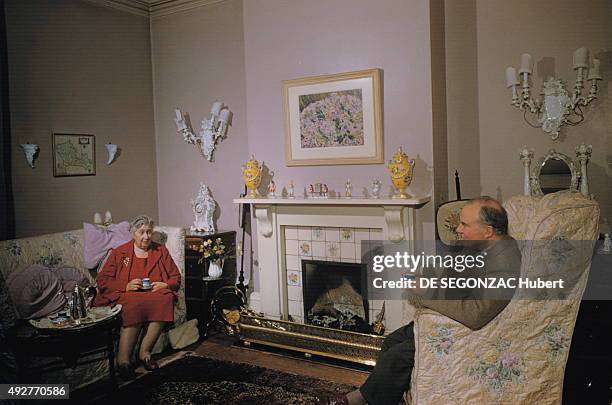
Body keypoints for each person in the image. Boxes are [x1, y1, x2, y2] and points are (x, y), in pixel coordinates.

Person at [319, 197, 522, 405]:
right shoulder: (480, 246)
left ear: (488, 231)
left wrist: (428, 291)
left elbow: (477, 313)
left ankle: (357, 400)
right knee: (391, 342)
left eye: (465, 224)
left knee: (397, 356)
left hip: (465, 331)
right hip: (446, 319)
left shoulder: (505, 261)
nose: (458, 229)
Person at [94, 215, 181, 380]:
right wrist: (125, 286)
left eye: (149, 232)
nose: (146, 236)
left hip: (154, 293)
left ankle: (145, 352)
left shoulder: (160, 250)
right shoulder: (120, 253)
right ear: (133, 234)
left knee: (166, 298)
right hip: (128, 295)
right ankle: (123, 361)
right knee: (134, 302)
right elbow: (103, 280)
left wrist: (166, 285)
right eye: (142, 232)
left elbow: (175, 277)